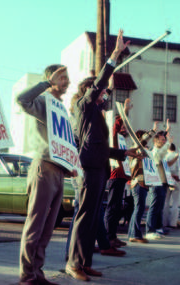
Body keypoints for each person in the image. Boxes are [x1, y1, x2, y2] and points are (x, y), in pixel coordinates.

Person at [66, 29, 142, 282]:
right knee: (85, 216)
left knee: (92, 218)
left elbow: (98, 147)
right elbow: (99, 84)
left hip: (98, 167)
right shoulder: (85, 106)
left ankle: (85, 263)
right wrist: (114, 56)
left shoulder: (96, 114)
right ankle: (74, 263)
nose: (106, 95)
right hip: (87, 170)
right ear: (91, 92)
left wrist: (124, 152)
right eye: (102, 92)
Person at [16, 64, 74, 285]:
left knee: (48, 227)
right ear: (50, 78)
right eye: (61, 77)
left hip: (59, 170)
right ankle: (27, 275)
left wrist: (71, 163)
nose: (66, 81)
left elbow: (65, 140)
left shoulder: (60, 107)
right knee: (36, 224)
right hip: (44, 167)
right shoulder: (42, 101)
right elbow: (22, 100)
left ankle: (37, 272)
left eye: (67, 77)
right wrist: (45, 85)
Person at [104, 98, 132, 248]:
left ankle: (113, 236)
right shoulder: (113, 136)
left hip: (121, 176)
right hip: (115, 175)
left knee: (116, 206)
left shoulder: (121, 139)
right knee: (112, 206)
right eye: (123, 126)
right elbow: (114, 127)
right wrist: (124, 112)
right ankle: (109, 236)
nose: (125, 129)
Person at [127, 127, 157, 244]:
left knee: (138, 209)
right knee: (139, 209)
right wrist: (152, 131)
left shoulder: (142, 151)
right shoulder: (136, 149)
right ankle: (135, 234)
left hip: (142, 183)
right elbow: (142, 142)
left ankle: (133, 234)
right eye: (143, 137)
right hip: (138, 183)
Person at [145, 128, 172, 240]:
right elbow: (159, 157)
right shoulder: (154, 151)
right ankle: (150, 230)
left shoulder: (161, 151)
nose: (164, 142)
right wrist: (169, 143)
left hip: (163, 182)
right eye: (162, 140)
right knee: (154, 207)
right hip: (156, 183)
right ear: (155, 141)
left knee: (160, 207)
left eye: (165, 140)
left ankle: (158, 227)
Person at [162, 143, 180, 229]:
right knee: (175, 202)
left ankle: (164, 222)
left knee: (165, 202)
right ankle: (173, 223)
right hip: (177, 180)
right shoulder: (179, 156)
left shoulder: (165, 156)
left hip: (167, 179)